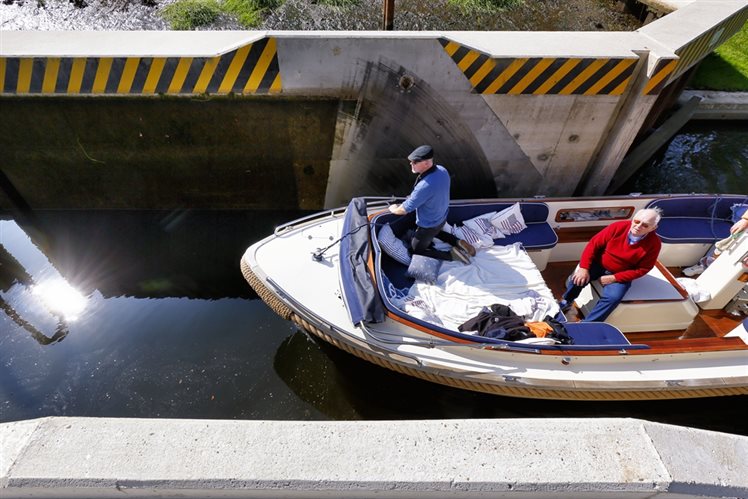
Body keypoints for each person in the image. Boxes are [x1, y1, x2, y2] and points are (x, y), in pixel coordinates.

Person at [559, 208, 663, 322]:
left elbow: (644, 268)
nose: (638, 226)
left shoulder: (654, 243)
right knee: (577, 279)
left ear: (653, 228)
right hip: (598, 264)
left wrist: (615, 278)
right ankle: (566, 301)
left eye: (645, 225)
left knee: (613, 298)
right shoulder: (617, 227)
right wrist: (584, 268)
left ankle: (590, 323)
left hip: (621, 273)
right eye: (637, 221)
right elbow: (593, 245)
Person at [388, 145, 475, 264]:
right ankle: (457, 242)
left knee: (415, 251)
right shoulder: (442, 170)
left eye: (415, 161)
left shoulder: (424, 186)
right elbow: (433, 193)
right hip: (442, 218)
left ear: (426, 164)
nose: (411, 164)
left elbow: (404, 210)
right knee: (437, 231)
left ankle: (452, 255)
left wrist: (393, 209)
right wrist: (415, 198)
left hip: (428, 226)